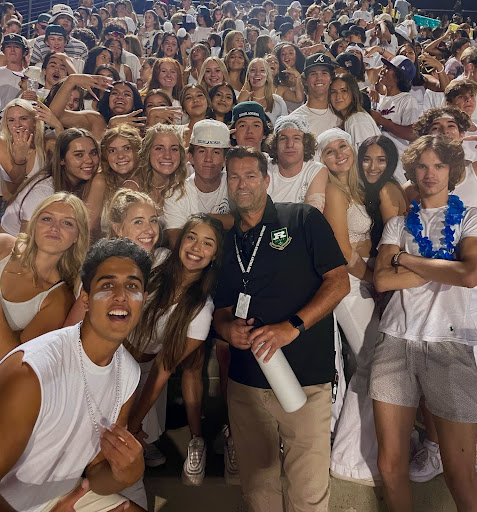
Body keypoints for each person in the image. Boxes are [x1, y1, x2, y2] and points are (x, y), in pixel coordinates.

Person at [213, 145, 349, 511]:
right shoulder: (226, 241)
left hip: (304, 378)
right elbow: (221, 309)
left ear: (267, 180)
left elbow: (339, 282)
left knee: (307, 492)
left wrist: (292, 327)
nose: (242, 184)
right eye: (235, 176)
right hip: (246, 383)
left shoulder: (302, 219)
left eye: (251, 175)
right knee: (258, 493)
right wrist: (228, 331)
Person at [0, 237, 151, 512]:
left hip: (67, 496)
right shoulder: (32, 372)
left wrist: (125, 473)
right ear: (86, 297)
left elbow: (95, 472)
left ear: (144, 299)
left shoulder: (127, 371)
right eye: (107, 285)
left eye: (132, 286)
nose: (121, 295)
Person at [372, 134, 477, 512]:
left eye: (439, 165)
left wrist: (407, 261)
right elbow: (381, 280)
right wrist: (440, 267)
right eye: (422, 166)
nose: (430, 174)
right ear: (412, 171)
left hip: (452, 344)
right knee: (390, 464)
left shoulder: (470, 217)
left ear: (453, 171)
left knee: (460, 472)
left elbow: (469, 274)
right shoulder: (397, 225)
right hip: (394, 341)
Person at [127, 214, 224, 486]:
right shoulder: (156, 260)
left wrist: (133, 424)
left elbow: (163, 369)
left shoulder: (201, 311)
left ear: (215, 256)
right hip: (113, 359)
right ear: (180, 241)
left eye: (208, 244)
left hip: (145, 373)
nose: (196, 248)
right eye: (191, 238)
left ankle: (192, 441)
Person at [316, 128, 382, 485]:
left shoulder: (360, 188)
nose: (339, 154)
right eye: (329, 151)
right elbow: (342, 252)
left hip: (366, 282)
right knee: (374, 364)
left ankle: (367, 443)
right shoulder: (334, 191)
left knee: (368, 363)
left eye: (343, 146)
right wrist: (375, 275)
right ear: (321, 160)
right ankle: (349, 457)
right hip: (351, 286)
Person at [0, 193, 89, 360]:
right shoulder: (3, 245)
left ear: (77, 236)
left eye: (67, 223)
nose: (54, 227)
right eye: (47, 219)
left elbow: (17, 363)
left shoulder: (59, 298)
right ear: (34, 225)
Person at [1, 128, 103, 239]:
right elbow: (24, 242)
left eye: (93, 153)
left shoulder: (88, 182)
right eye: (79, 155)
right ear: (62, 160)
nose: (89, 160)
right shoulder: (42, 191)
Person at [164, 119, 232, 246]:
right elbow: (177, 245)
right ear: (191, 157)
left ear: (225, 160)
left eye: (216, 152)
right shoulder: (175, 194)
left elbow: (248, 221)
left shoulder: (235, 184)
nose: (208, 159)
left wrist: (198, 221)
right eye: (202, 151)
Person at [371, 55, 419, 184]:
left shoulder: (407, 100)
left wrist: (383, 121)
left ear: (399, 76)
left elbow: (412, 133)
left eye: (388, 68)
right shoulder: (378, 99)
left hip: (396, 163)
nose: (382, 70)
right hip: (376, 160)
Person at [358, 135, 408, 257]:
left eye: (381, 160)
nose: (372, 167)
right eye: (366, 160)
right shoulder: (384, 186)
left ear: (390, 162)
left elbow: (390, 244)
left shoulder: (386, 190)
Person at [50, 75, 144, 141]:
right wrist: (72, 80)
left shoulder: (142, 126)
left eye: (126, 94)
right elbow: (55, 114)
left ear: (134, 103)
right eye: (115, 93)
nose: (120, 97)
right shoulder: (95, 119)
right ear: (107, 99)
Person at [266, 114, 328, 211]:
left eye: (296, 138)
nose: (290, 144)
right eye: (283, 138)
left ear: (305, 143)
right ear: (275, 144)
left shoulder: (316, 170)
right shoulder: (264, 166)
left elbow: (310, 216)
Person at [126, 124, 187, 218]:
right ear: (147, 152)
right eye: (159, 148)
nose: (167, 156)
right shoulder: (132, 189)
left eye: (174, 149)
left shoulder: (183, 186)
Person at [329, 73, 381, 150]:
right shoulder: (351, 118)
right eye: (333, 92)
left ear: (353, 93)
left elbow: (368, 156)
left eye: (344, 91)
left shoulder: (357, 120)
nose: (338, 96)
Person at [293, 53, 340, 137]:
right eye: (313, 74)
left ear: (331, 79)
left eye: (324, 73)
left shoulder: (341, 113)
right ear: (305, 81)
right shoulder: (296, 119)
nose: (319, 78)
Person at [237, 58, 287, 124]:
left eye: (262, 70)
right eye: (253, 70)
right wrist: (239, 103)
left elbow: (284, 127)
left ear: (267, 76)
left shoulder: (278, 101)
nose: (257, 74)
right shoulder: (238, 99)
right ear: (248, 75)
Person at [0, 34, 30, 112]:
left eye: (17, 47)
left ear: (24, 52)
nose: (12, 50)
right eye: (8, 47)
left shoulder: (30, 75)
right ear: (3, 51)